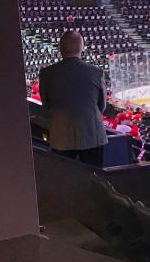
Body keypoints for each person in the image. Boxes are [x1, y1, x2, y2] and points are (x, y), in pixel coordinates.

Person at [38, 31, 108, 166]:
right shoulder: (96, 72)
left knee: (65, 180)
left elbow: (46, 108)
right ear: (82, 48)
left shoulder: (46, 74)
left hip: (61, 137)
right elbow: (102, 106)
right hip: (92, 136)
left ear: (60, 48)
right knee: (93, 180)